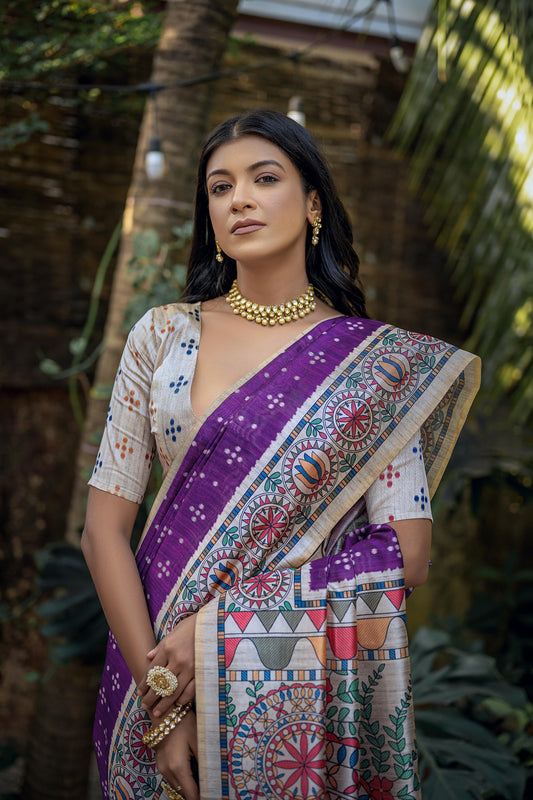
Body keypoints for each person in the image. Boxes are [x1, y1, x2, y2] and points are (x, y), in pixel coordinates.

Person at [82, 109, 480, 800]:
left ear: (313, 202)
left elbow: (405, 554)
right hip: (150, 674)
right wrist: (162, 699)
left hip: (285, 685)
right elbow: (103, 531)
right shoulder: (164, 336)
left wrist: (216, 629)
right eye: (218, 187)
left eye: (263, 178)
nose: (238, 198)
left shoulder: (373, 370)